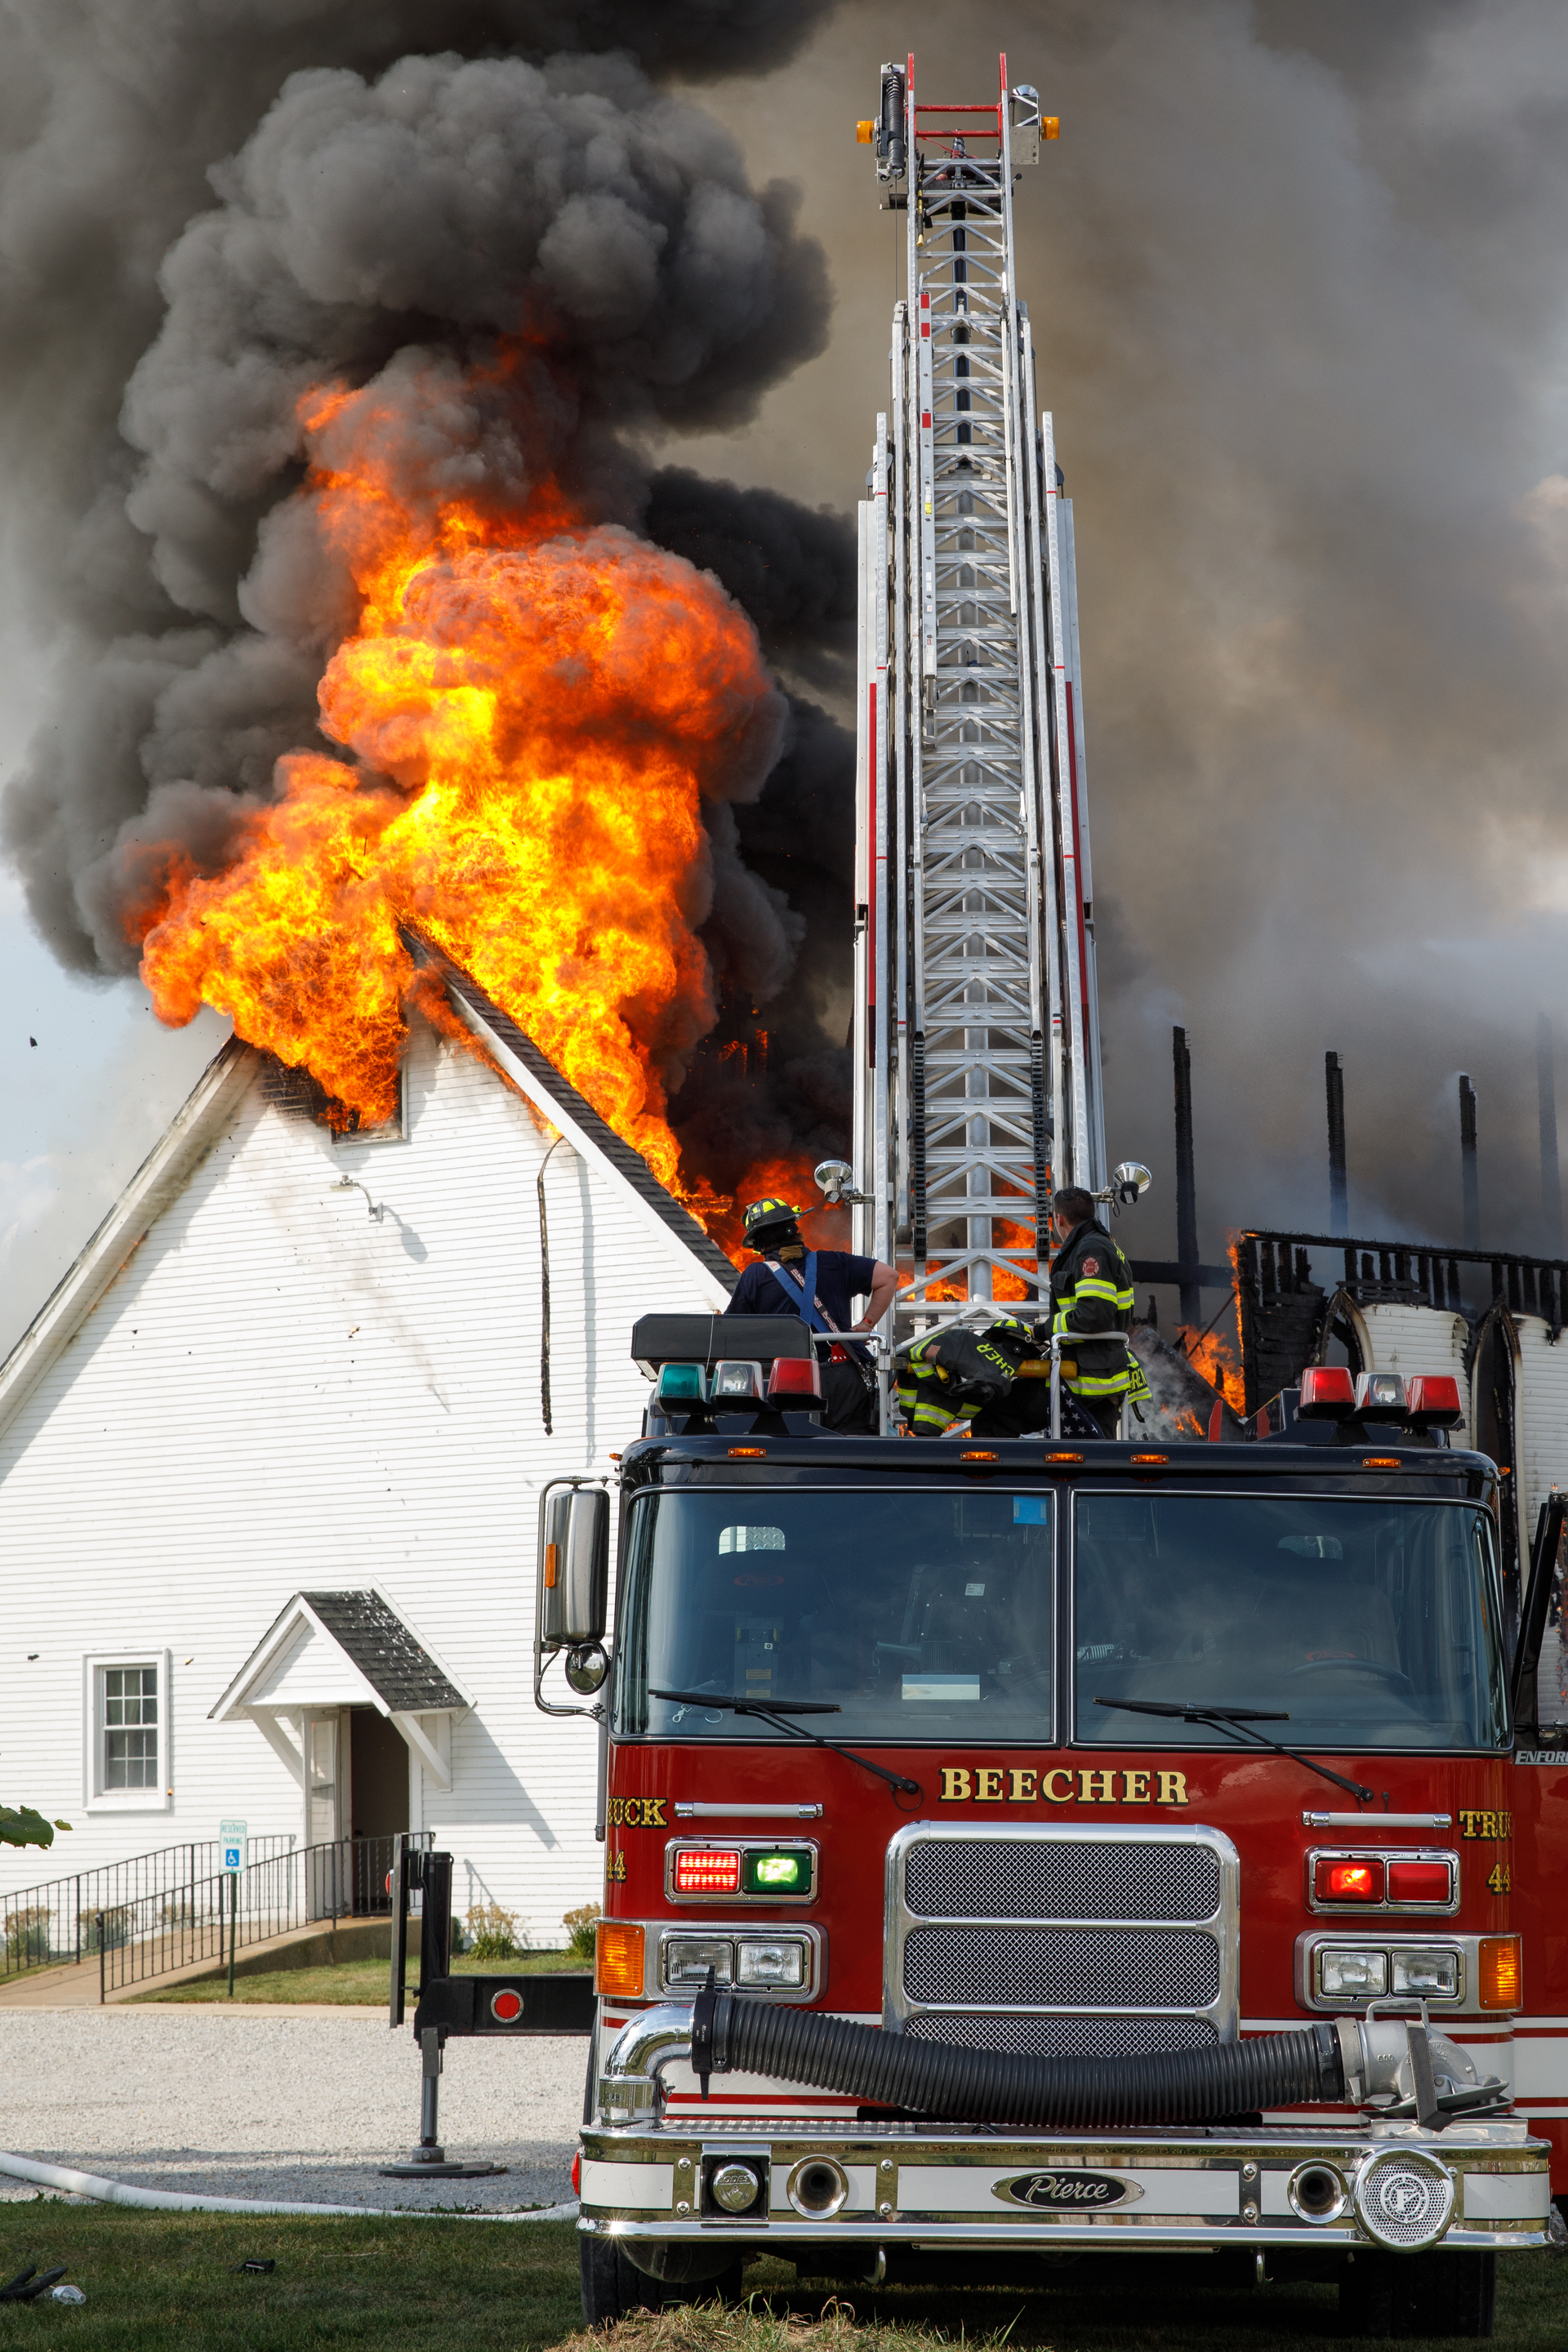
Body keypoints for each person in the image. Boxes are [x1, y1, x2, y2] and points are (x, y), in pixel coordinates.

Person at [724, 1198, 897, 1433]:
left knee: (794, 1453)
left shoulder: (755, 1275)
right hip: (846, 1376)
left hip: (790, 1382)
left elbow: (732, 1335)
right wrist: (865, 1325)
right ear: (795, 1229)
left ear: (759, 1244)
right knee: (852, 1453)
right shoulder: (834, 1261)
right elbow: (889, 1277)